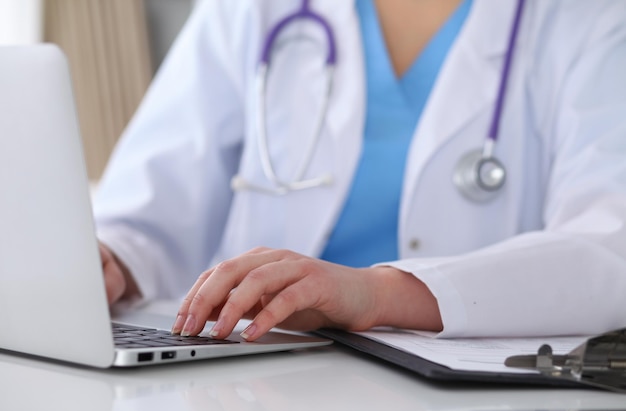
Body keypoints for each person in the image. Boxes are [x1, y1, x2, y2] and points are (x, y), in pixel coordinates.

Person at [94, 0, 626, 342]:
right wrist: (112, 258)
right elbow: (146, 210)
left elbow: (609, 248)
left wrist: (376, 294)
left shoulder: (592, 20)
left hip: (463, 394)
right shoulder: (252, 10)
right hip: (250, 380)